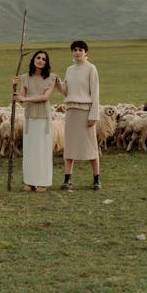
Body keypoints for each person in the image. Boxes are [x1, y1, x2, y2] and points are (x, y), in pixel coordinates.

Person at [55, 40, 101, 190]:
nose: (77, 52)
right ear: (72, 52)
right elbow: (66, 91)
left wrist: (93, 115)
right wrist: (57, 83)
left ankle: (96, 179)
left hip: (85, 111)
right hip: (71, 111)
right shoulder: (69, 70)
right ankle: (67, 179)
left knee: (90, 146)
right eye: (74, 49)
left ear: (86, 52)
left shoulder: (91, 68)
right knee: (70, 146)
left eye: (80, 49)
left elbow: (95, 93)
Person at [13, 50, 57, 192]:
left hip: (43, 118)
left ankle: (42, 182)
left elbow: (45, 97)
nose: (40, 60)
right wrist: (13, 87)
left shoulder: (51, 78)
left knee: (43, 150)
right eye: (38, 57)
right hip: (30, 117)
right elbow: (20, 97)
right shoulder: (25, 78)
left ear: (46, 62)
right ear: (33, 60)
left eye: (44, 59)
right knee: (30, 150)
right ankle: (30, 181)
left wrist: (26, 99)